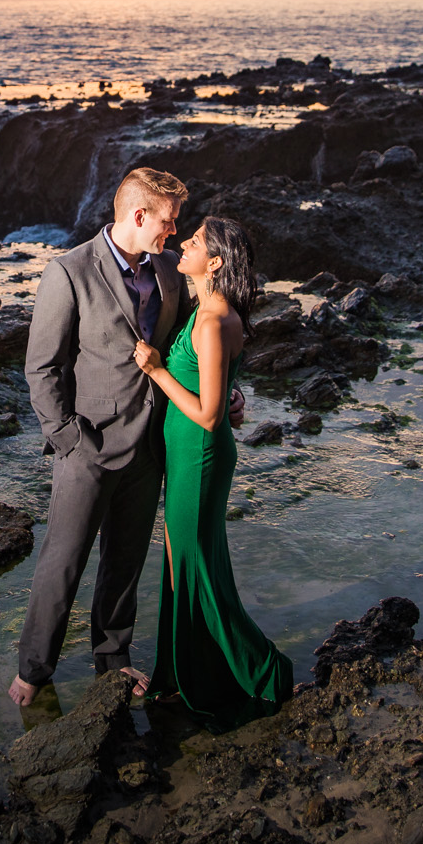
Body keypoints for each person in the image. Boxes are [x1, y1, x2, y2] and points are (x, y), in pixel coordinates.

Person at [11, 167, 192, 708]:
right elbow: (42, 366)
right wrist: (66, 438)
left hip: (150, 445)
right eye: (167, 221)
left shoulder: (169, 271)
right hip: (87, 447)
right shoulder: (67, 273)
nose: (174, 233)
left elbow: (183, 343)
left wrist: (223, 389)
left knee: (126, 561)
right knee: (63, 562)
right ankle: (33, 670)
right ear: (139, 216)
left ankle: (112, 660)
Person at [131, 215, 294, 728]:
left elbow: (207, 413)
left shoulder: (213, 318)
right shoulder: (207, 310)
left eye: (195, 241)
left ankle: (266, 672)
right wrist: (231, 395)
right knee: (183, 566)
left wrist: (156, 371)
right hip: (187, 452)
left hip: (199, 455)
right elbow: (219, 390)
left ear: (215, 263)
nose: (183, 242)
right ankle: (185, 676)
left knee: (197, 571)